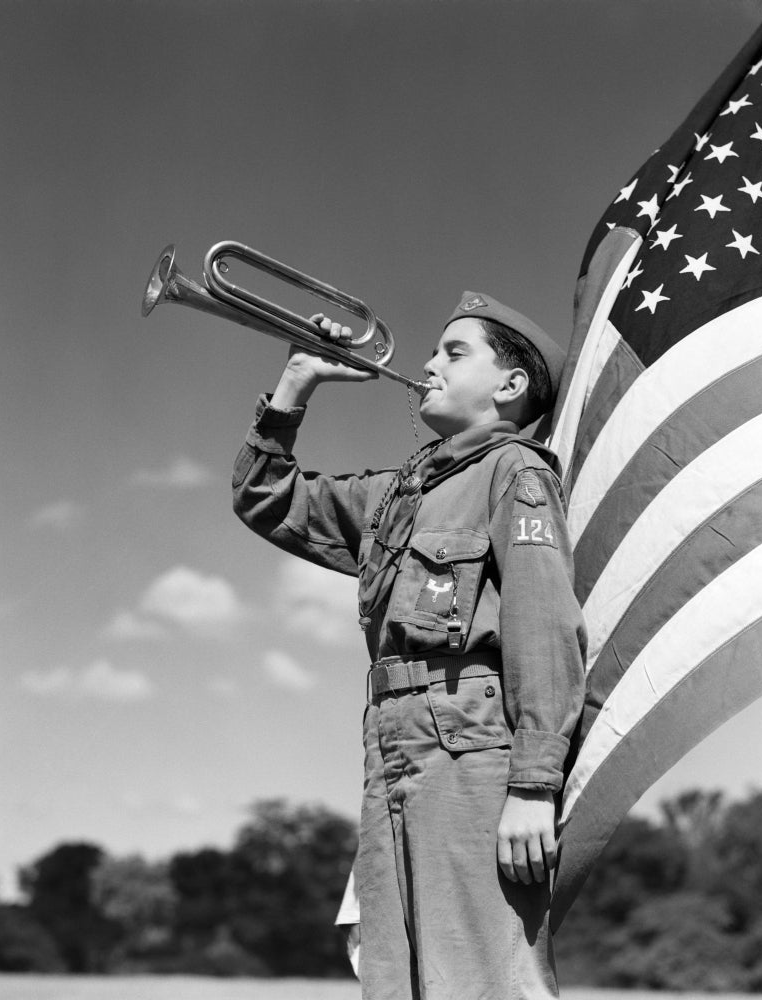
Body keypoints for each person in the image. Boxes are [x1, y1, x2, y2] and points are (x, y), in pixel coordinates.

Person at [232, 291, 587, 1000]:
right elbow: (263, 495)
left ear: (510, 386)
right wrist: (298, 381)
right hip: (391, 746)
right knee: (396, 982)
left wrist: (532, 784)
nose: (428, 364)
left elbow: (543, 626)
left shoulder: (516, 472)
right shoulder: (398, 494)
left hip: (472, 749)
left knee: (482, 978)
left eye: (455, 353)